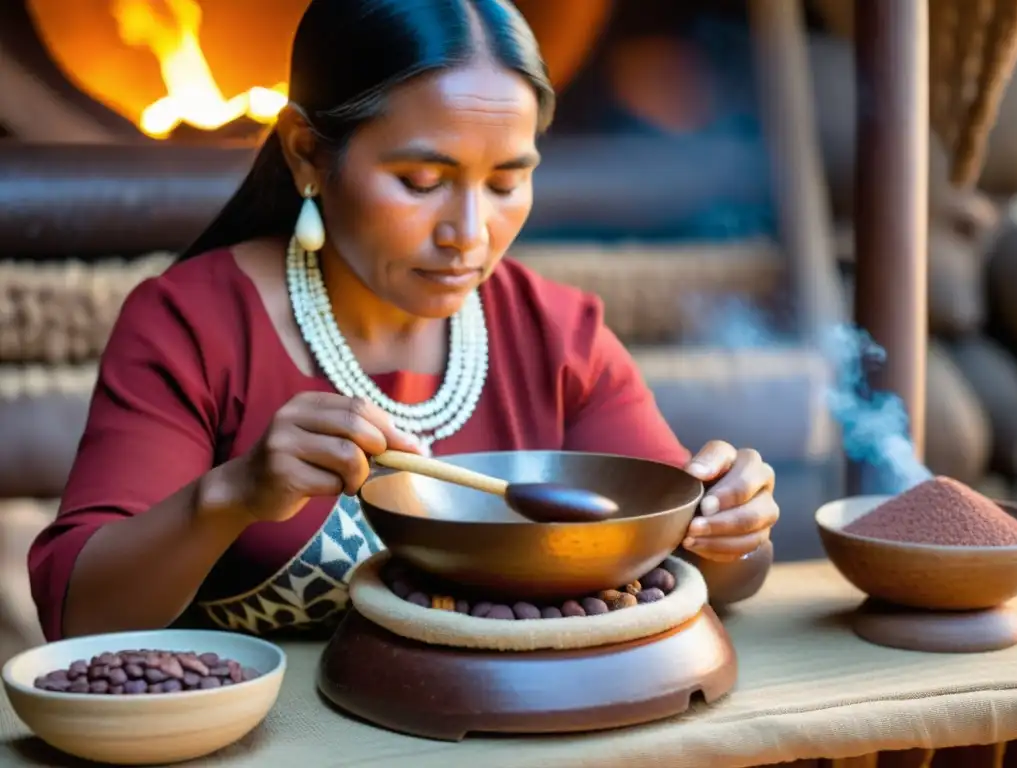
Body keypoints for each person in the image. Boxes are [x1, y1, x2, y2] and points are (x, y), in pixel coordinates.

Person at [28, 0, 779, 641]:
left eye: (507, 182)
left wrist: (731, 531)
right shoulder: (193, 324)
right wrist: (232, 495)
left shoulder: (556, 334)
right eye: (422, 181)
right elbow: (75, 614)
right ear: (305, 155)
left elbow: (710, 566)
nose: (469, 232)